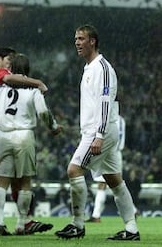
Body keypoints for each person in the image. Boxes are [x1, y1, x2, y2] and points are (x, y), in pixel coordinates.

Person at [55, 24, 140, 241]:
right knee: (114, 180)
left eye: (81, 38)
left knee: (74, 170)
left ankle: (78, 224)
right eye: (76, 39)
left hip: (99, 132)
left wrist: (99, 135)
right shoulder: (90, 68)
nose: (77, 43)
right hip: (97, 131)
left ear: (92, 41)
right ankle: (131, 229)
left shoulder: (102, 68)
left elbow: (105, 102)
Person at [0, 53, 61, 236]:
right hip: (24, 136)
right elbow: (43, 112)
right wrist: (53, 127)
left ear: (10, 69)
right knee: (25, 181)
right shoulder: (33, 90)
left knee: (1, 182)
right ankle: (22, 223)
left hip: (3, 136)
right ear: (28, 71)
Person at [87, 114, 126, 222]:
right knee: (112, 185)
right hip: (106, 152)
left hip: (112, 153)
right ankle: (132, 210)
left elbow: (120, 136)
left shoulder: (118, 119)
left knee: (112, 184)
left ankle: (96, 215)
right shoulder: (104, 117)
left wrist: (110, 150)